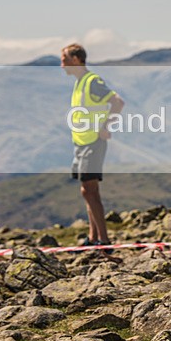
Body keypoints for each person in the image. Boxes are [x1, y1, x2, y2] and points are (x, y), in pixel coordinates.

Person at [61, 43, 125, 251]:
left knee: (90, 190)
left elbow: (118, 102)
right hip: (81, 143)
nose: (62, 65)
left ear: (76, 60)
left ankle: (103, 242)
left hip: (92, 142)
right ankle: (93, 237)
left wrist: (105, 127)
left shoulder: (91, 82)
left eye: (64, 60)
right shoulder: (80, 83)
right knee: (87, 190)